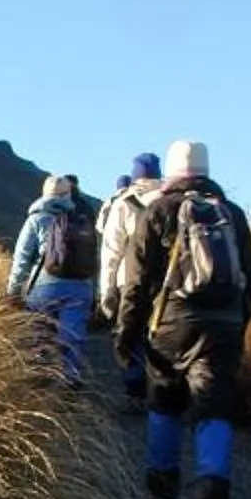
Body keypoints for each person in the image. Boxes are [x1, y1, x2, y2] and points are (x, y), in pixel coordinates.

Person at [112, 139, 251, 499]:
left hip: (171, 325)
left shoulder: (158, 210)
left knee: (164, 400)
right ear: (206, 170)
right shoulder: (230, 214)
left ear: (173, 172)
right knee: (214, 407)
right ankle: (211, 498)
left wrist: (126, 334)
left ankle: (162, 494)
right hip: (224, 325)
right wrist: (237, 322)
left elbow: (137, 283)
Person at [4, 172, 101, 388]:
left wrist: (13, 290)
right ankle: (71, 376)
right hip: (81, 286)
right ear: (69, 195)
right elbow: (93, 260)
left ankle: (42, 370)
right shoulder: (83, 221)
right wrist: (94, 292)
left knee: (41, 330)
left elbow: (21, 259)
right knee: (73, 334)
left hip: (45, 286)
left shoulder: (36, 219)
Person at [96, 152, 166, 403]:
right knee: (159, 335)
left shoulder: (124, 203)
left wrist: (107, 292)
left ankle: (135, 390)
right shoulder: (172, 200)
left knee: (131, 334)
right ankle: (162, 390)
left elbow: (111, 252)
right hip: (167, 283)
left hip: (130, 280)